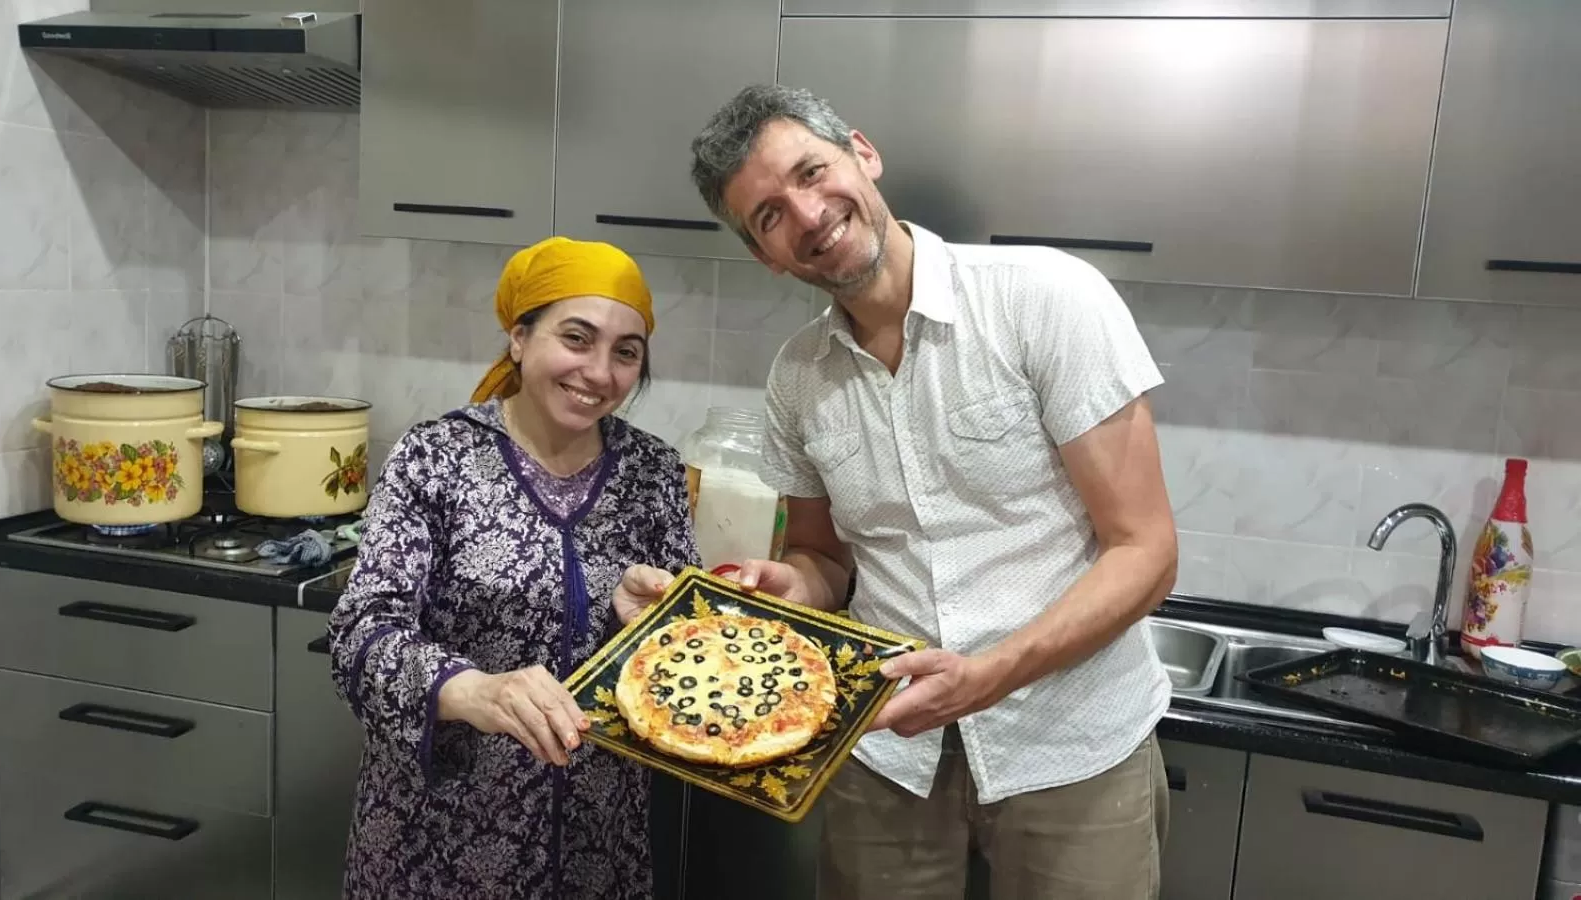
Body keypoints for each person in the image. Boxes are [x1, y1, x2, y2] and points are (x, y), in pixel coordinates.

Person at [692, 83, 1178, 898]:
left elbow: (1147, 551)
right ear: (764, 255)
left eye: (811, 172)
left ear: (863, 153)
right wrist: (792, 584)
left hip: (1071, 746)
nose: (808, 215)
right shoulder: (798, 379)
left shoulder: (1044, 298)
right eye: (769, 215)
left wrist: (988, 675)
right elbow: (824, 559)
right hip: (888, 754)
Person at [326, 236, 700, 900]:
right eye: (577, 338)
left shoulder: (652, 474)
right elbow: (361, 634)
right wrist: (475, 691)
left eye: (626, 352)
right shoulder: (436, 459)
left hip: (596, 846)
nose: (599, 372)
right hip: (436, 842)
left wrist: (647, 626)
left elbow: (685, 664)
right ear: (519, 338)